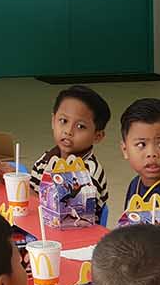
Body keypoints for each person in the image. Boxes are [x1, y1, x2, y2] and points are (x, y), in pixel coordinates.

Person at [31, 85, 111, 215]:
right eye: (63, 121)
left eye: (80, 126)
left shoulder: (89, 172)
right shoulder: (45, 160)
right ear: (53, 121)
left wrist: (23, 189)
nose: (68, 131)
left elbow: (68, 216)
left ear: (97, 136)